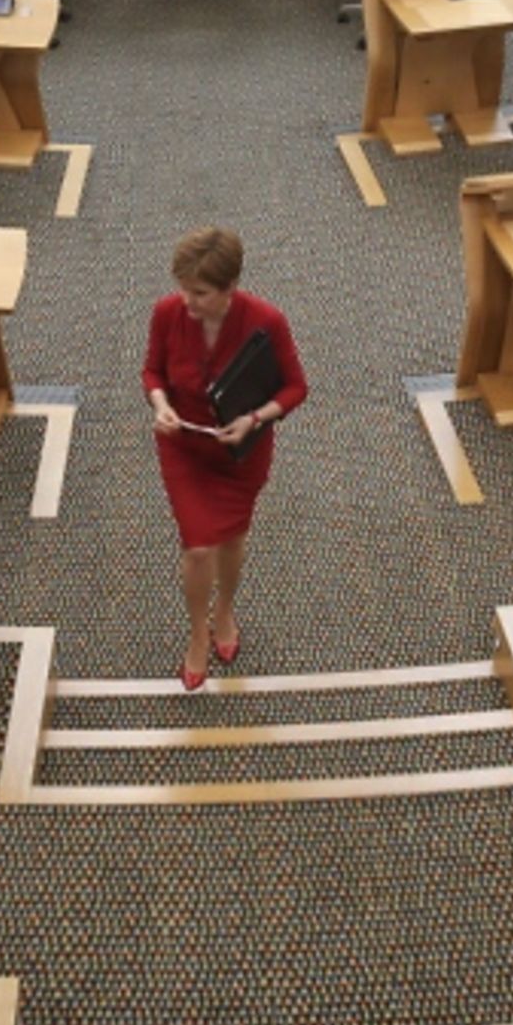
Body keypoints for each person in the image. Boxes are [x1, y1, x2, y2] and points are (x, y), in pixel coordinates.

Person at [143, 228, 308, 691]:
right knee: (197, 548)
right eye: (183, 289)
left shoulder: (266, 320)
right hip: (185, 448)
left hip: (240, 452)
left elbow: (296, 387)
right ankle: (199, 632)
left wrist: (256, 418)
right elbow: (152, 370)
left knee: (232, 538)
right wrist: (161, 406)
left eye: (200, 294)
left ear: (230, 288)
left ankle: (225, 611)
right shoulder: (167, 313)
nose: (187, 302)